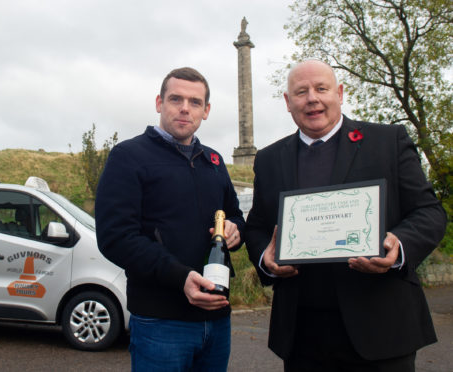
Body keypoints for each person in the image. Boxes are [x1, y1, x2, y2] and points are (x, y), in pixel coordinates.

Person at [245, 60, 447, 371]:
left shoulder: (387, 141)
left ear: (339, 93)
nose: (312, 98)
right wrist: (266, 259)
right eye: (301, 92)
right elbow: (257, 226)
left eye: (321, 88)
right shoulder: (270, 159)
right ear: (288, 102)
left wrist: (398, 246)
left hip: (381, 329)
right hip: (302, 334)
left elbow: (428, 211)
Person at [95, 67, 245, 371]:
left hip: (217, 320)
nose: (185, 108)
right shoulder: (128, 156)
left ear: (206, 110)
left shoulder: (214, 162)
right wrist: (180, 278)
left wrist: (235, 231)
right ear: (159, 102)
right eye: (176, 98)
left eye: (195, 102)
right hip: (161, 322)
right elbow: (115, 238)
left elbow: (236, 216)